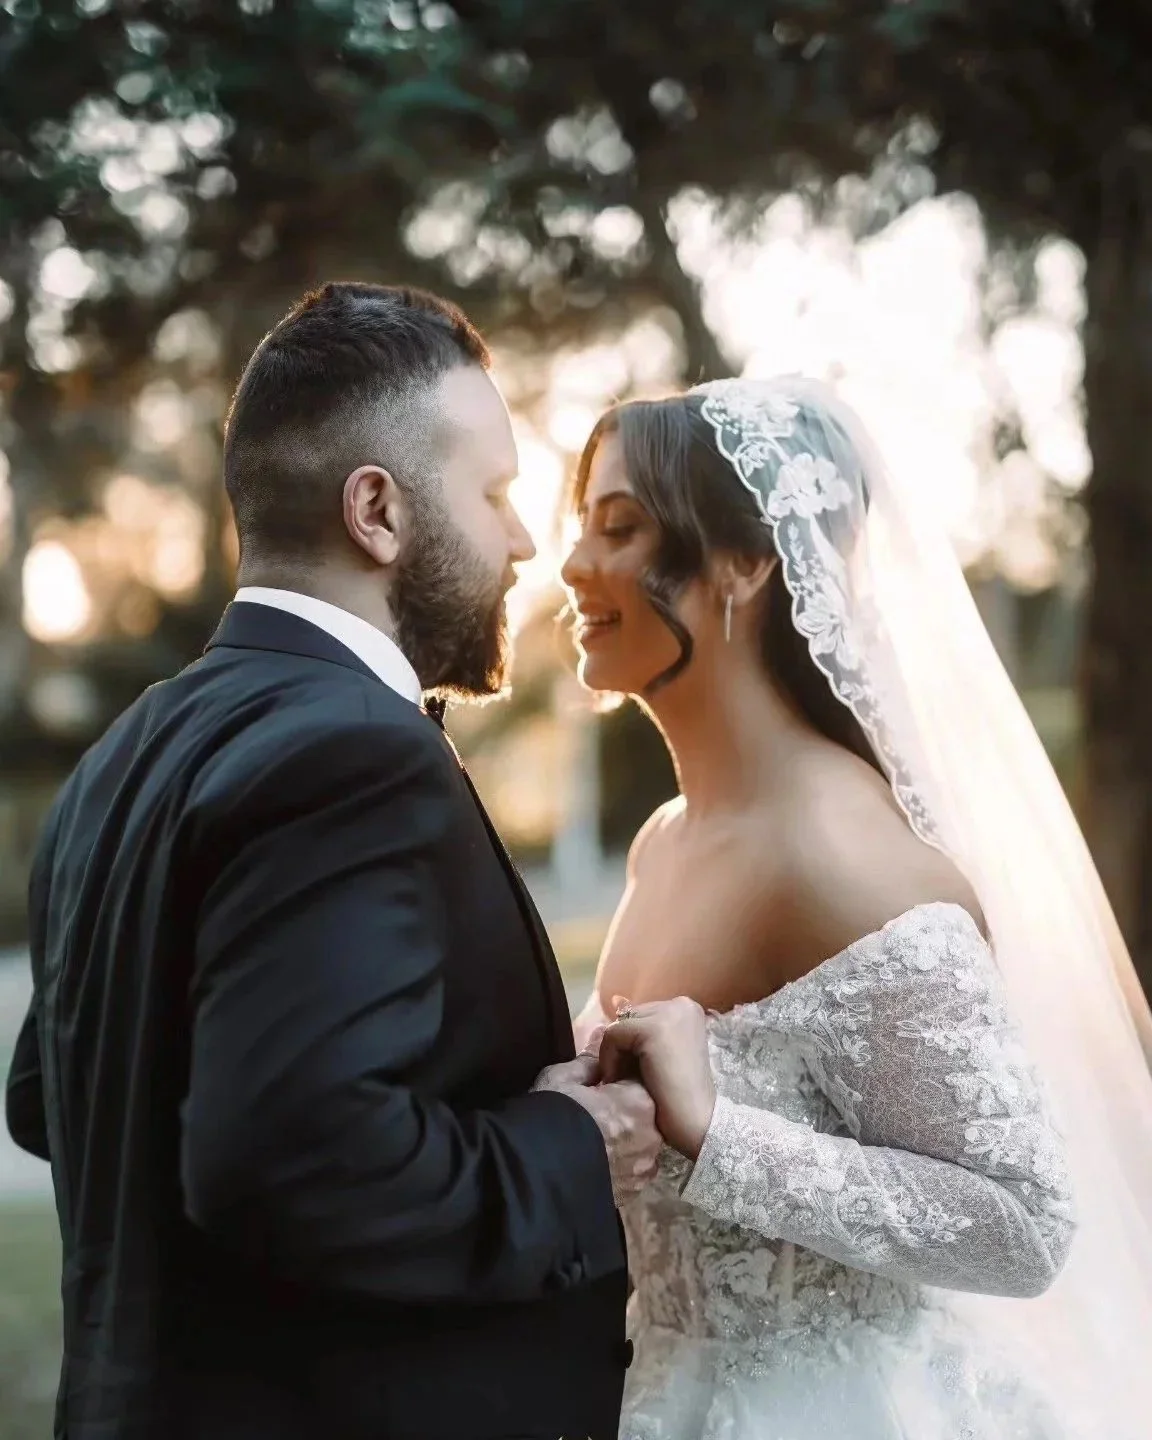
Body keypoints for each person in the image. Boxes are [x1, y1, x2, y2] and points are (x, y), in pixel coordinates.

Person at [3, 281, 661, 1440]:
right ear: (377, 511)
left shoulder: (123, 755)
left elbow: (49, 1099)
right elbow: (302, 1161)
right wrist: (572, 1141)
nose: (522, 541)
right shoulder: (359, 755)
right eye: (494, 494)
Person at [563, 376, 1152, 1439]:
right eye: (582, 527)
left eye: (621, 527)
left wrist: (720, 1134)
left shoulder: (840, 857)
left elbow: (1022, 1225)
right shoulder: (663, 839)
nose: (573, 565)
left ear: (746, 563)